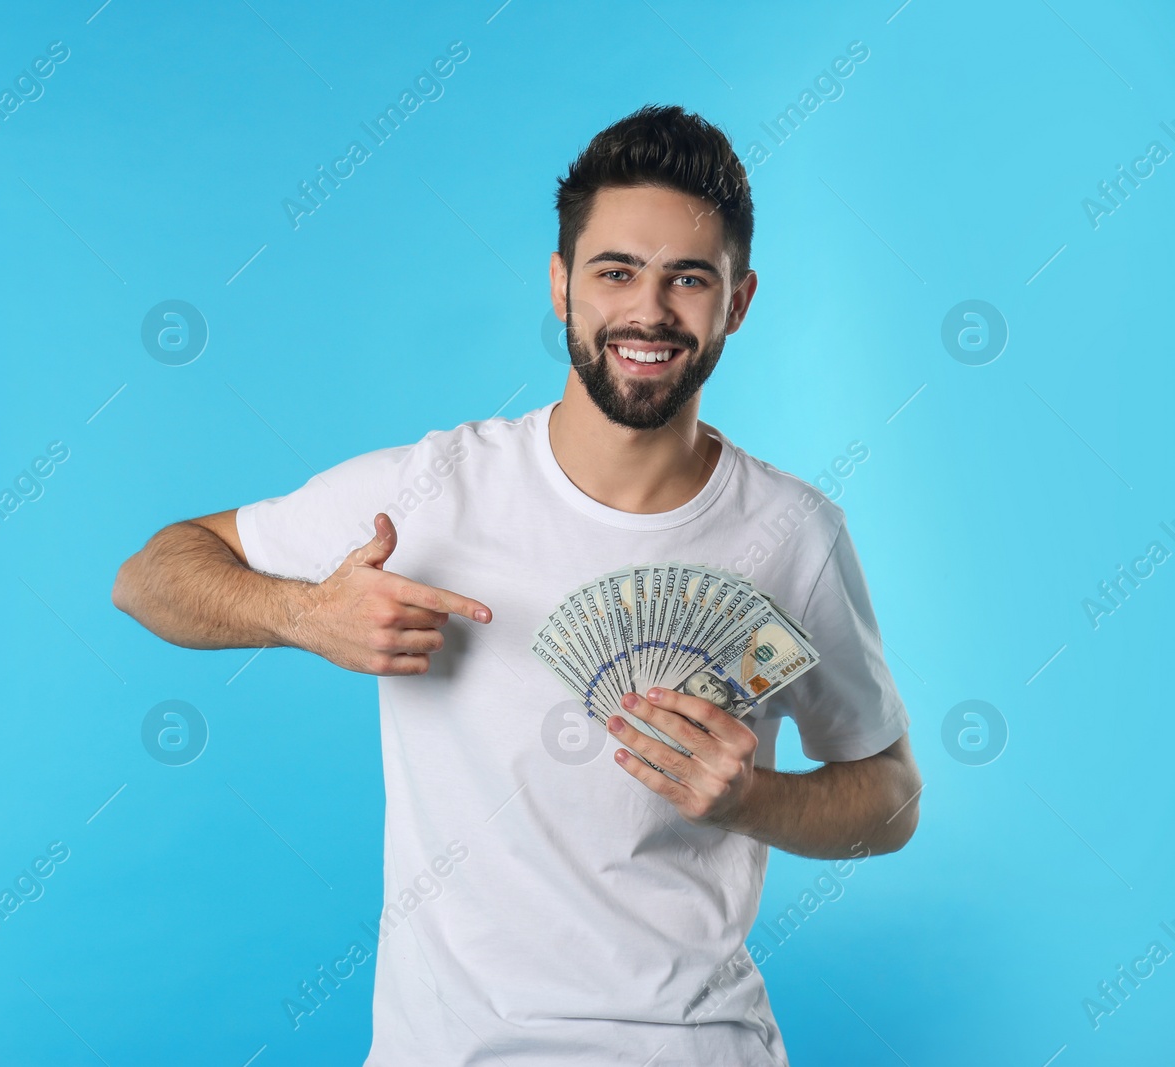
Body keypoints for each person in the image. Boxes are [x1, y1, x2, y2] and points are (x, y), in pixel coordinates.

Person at [112, 104, 921, 1067]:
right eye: (616, 271)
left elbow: (892, 798)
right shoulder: (427, 491)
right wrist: (300, 613)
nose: (649, 312)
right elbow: (150, 573)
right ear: (561, 286)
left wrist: (753, 799)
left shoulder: (795, 536)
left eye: (688, 279)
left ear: (738, 301)